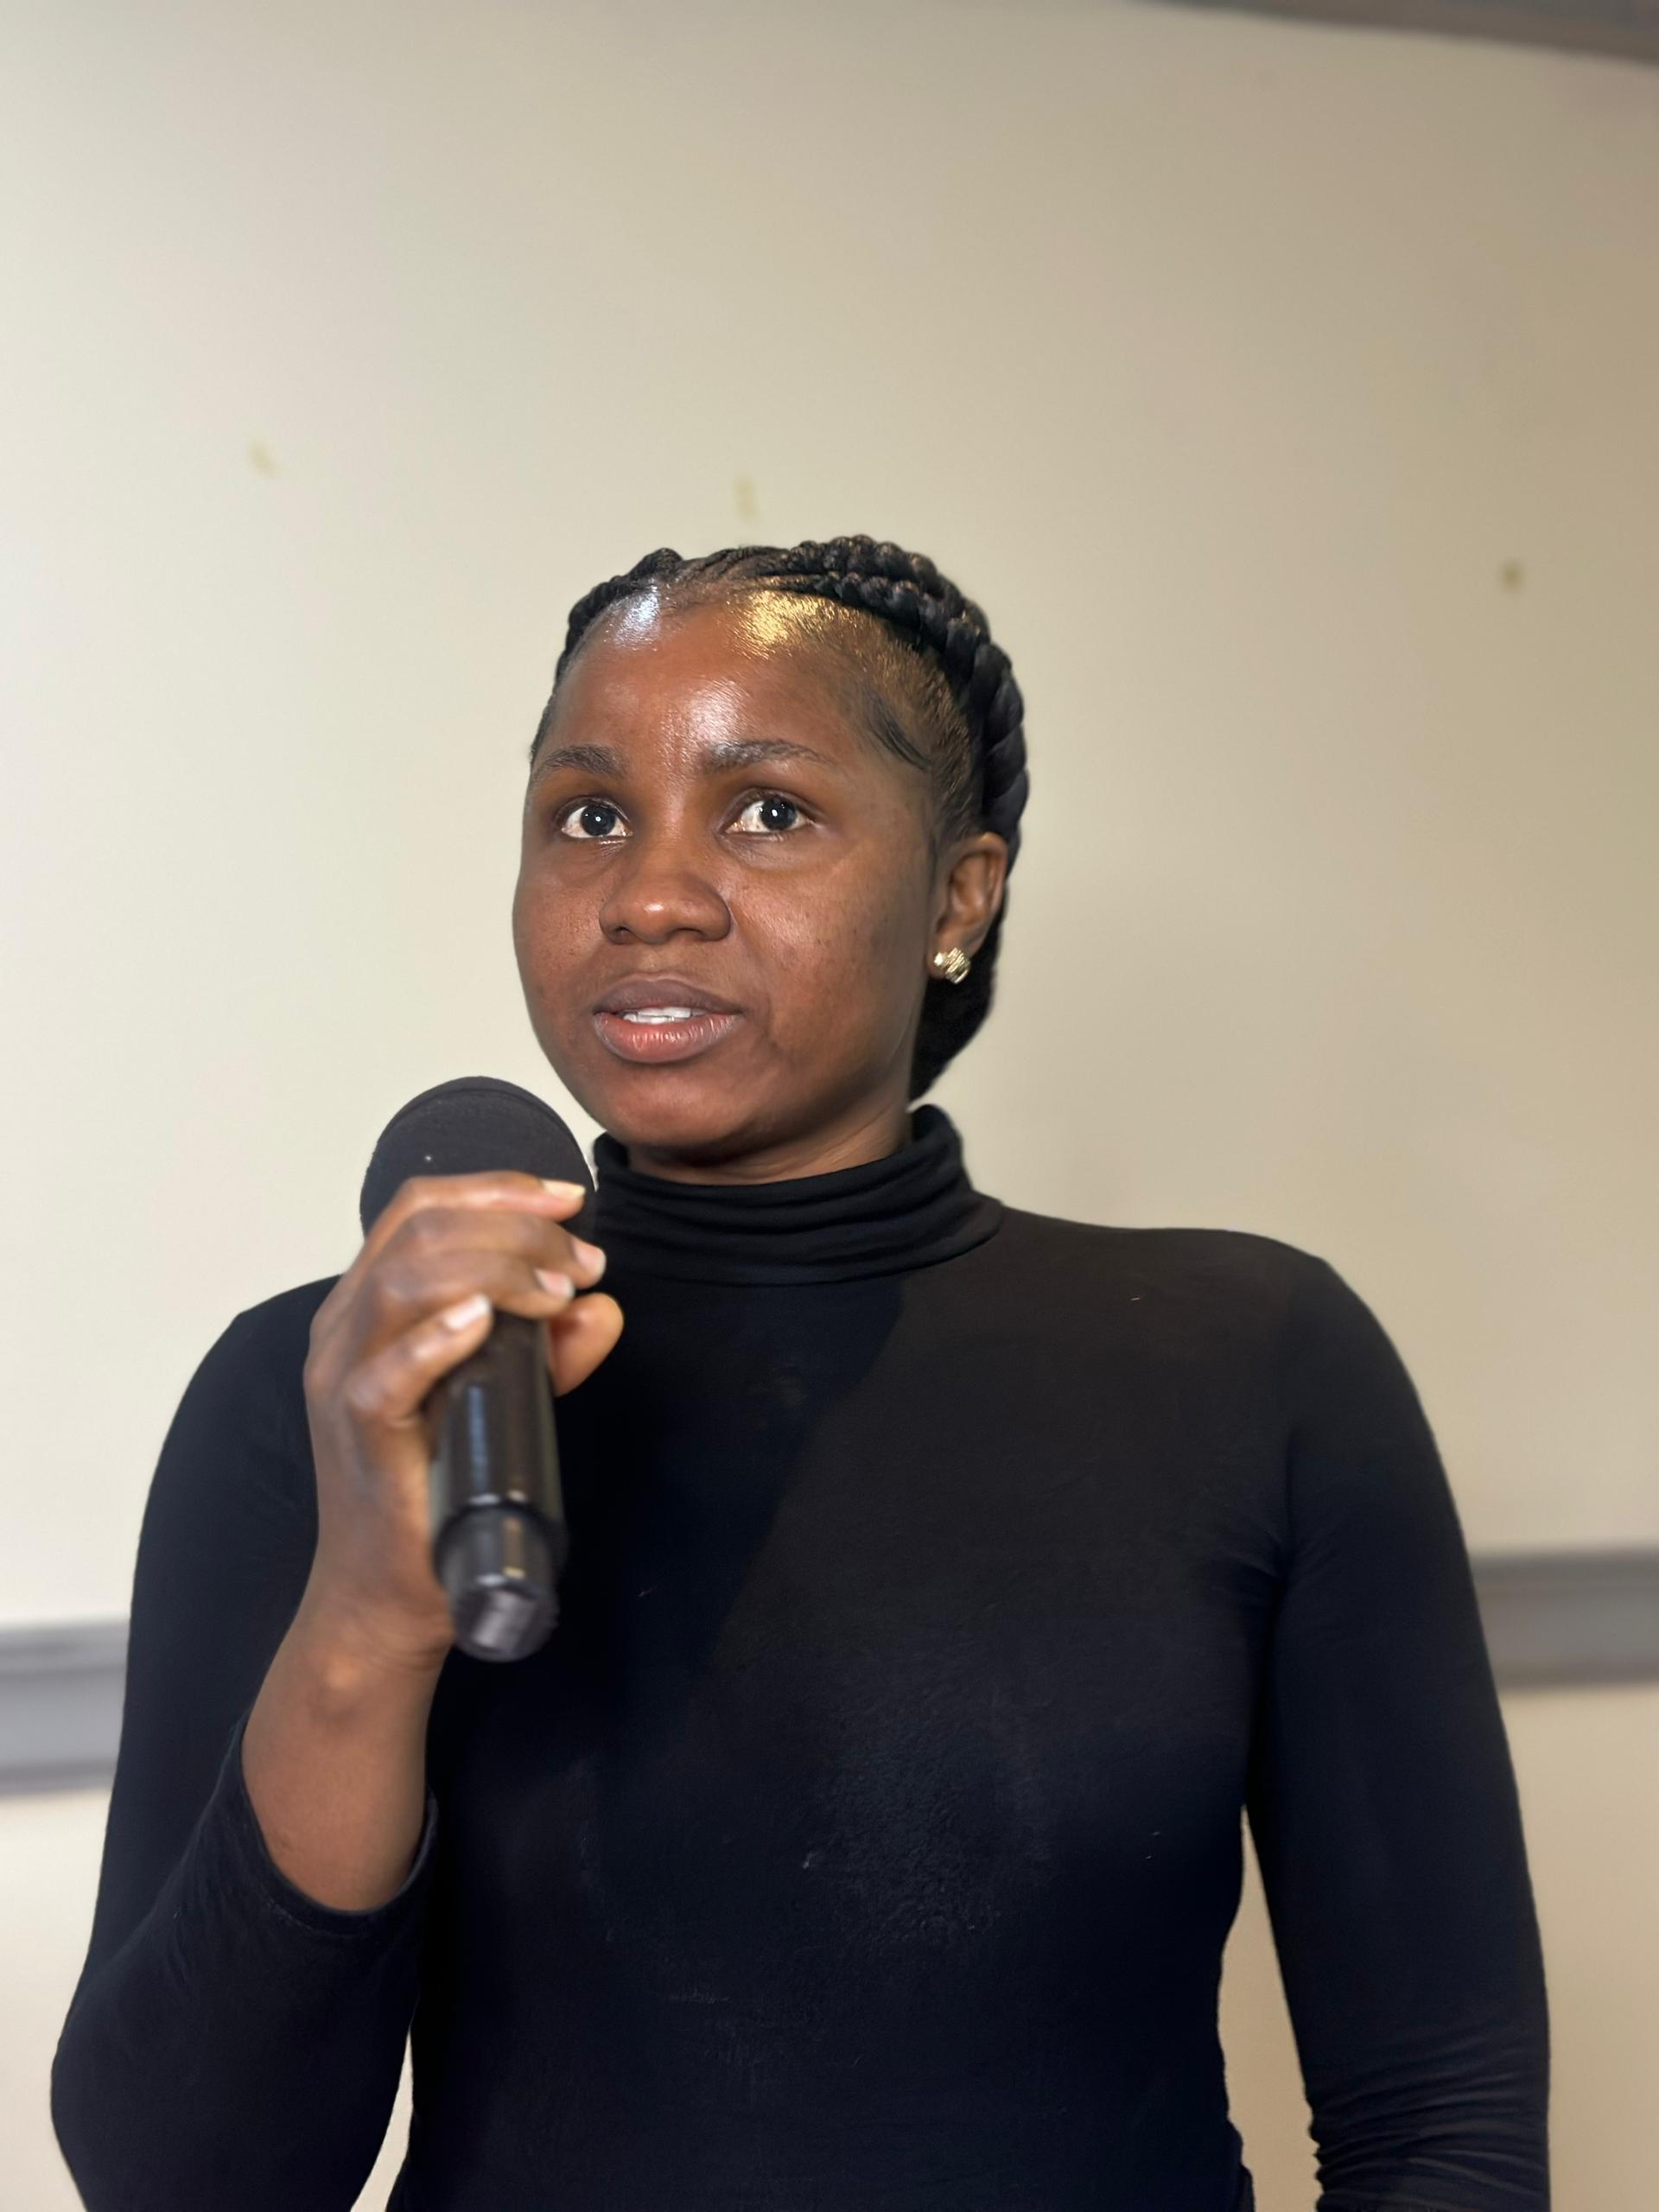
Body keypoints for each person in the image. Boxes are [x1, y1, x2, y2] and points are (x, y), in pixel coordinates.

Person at [51, 536, 1550, 2211]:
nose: (651, 896)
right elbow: (185, 2180)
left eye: (767, 810)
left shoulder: (1254, 1361)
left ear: (960, 895)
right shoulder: (346, 1387)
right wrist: (368, 1614)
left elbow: (1445, 2127)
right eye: (588, 816)